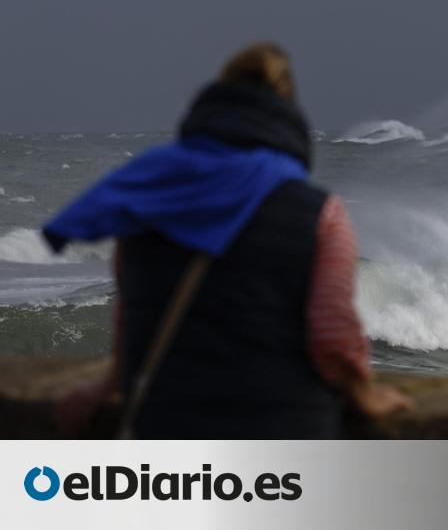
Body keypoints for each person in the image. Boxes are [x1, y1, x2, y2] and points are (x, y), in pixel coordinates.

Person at [49, 43, 412, 438]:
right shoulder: (321, 213)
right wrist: (363, 394)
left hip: (167, 428)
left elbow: (135, 305)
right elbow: (331, 332)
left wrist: (112, 384)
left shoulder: (147, 194)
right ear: (288, 116)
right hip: (287, 434)